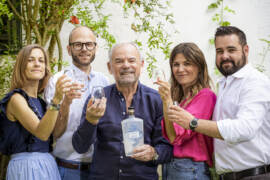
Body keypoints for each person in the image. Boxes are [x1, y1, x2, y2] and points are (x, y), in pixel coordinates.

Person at [166, 26, 270, 180]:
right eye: (219, 51)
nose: (225, 56)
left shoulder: (254, 81)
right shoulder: (224, 84)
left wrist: (193, 123)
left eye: (231, 50)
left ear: (246, 50)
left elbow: (245, 129)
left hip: (254, 175)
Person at [72, 42, 173, 180]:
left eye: (131, 60)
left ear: (141, 65)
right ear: (110, 67)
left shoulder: (156, 100)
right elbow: (80, 147)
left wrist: (154, 153)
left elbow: (167, 148)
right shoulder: (98, 98)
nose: (126, 65)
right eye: (119, 61)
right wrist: (91, 120)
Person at [44, 26, 109, 180]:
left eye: (89, 44)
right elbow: (54, 133)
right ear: (69, 49)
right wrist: (65, 103)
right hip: (67, 168)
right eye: (78, 44)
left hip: (98, 168)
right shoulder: (58, 81)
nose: (84, 49)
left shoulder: (103, 81)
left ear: (95, 48)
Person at [0, 44, 71, 180]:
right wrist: (56, 99)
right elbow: (42, 133)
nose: (37, 64)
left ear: (45, 68)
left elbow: (56, 133)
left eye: (41, 60)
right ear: (21, 66)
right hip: (26, 167)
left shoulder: (41, 102)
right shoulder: (16, 99)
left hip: (47, 165)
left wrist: (67, 102)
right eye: (30, 60)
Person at [155, 42, 216, 180]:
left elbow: (176, 135)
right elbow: (170, 136)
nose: (180, 69)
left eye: (187, 63)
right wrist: (167, 101)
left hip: (191, 169)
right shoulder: (181, 99)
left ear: (199, 67)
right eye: (176, 64)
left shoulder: (205, 95)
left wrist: (168, 100)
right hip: (172, 167)